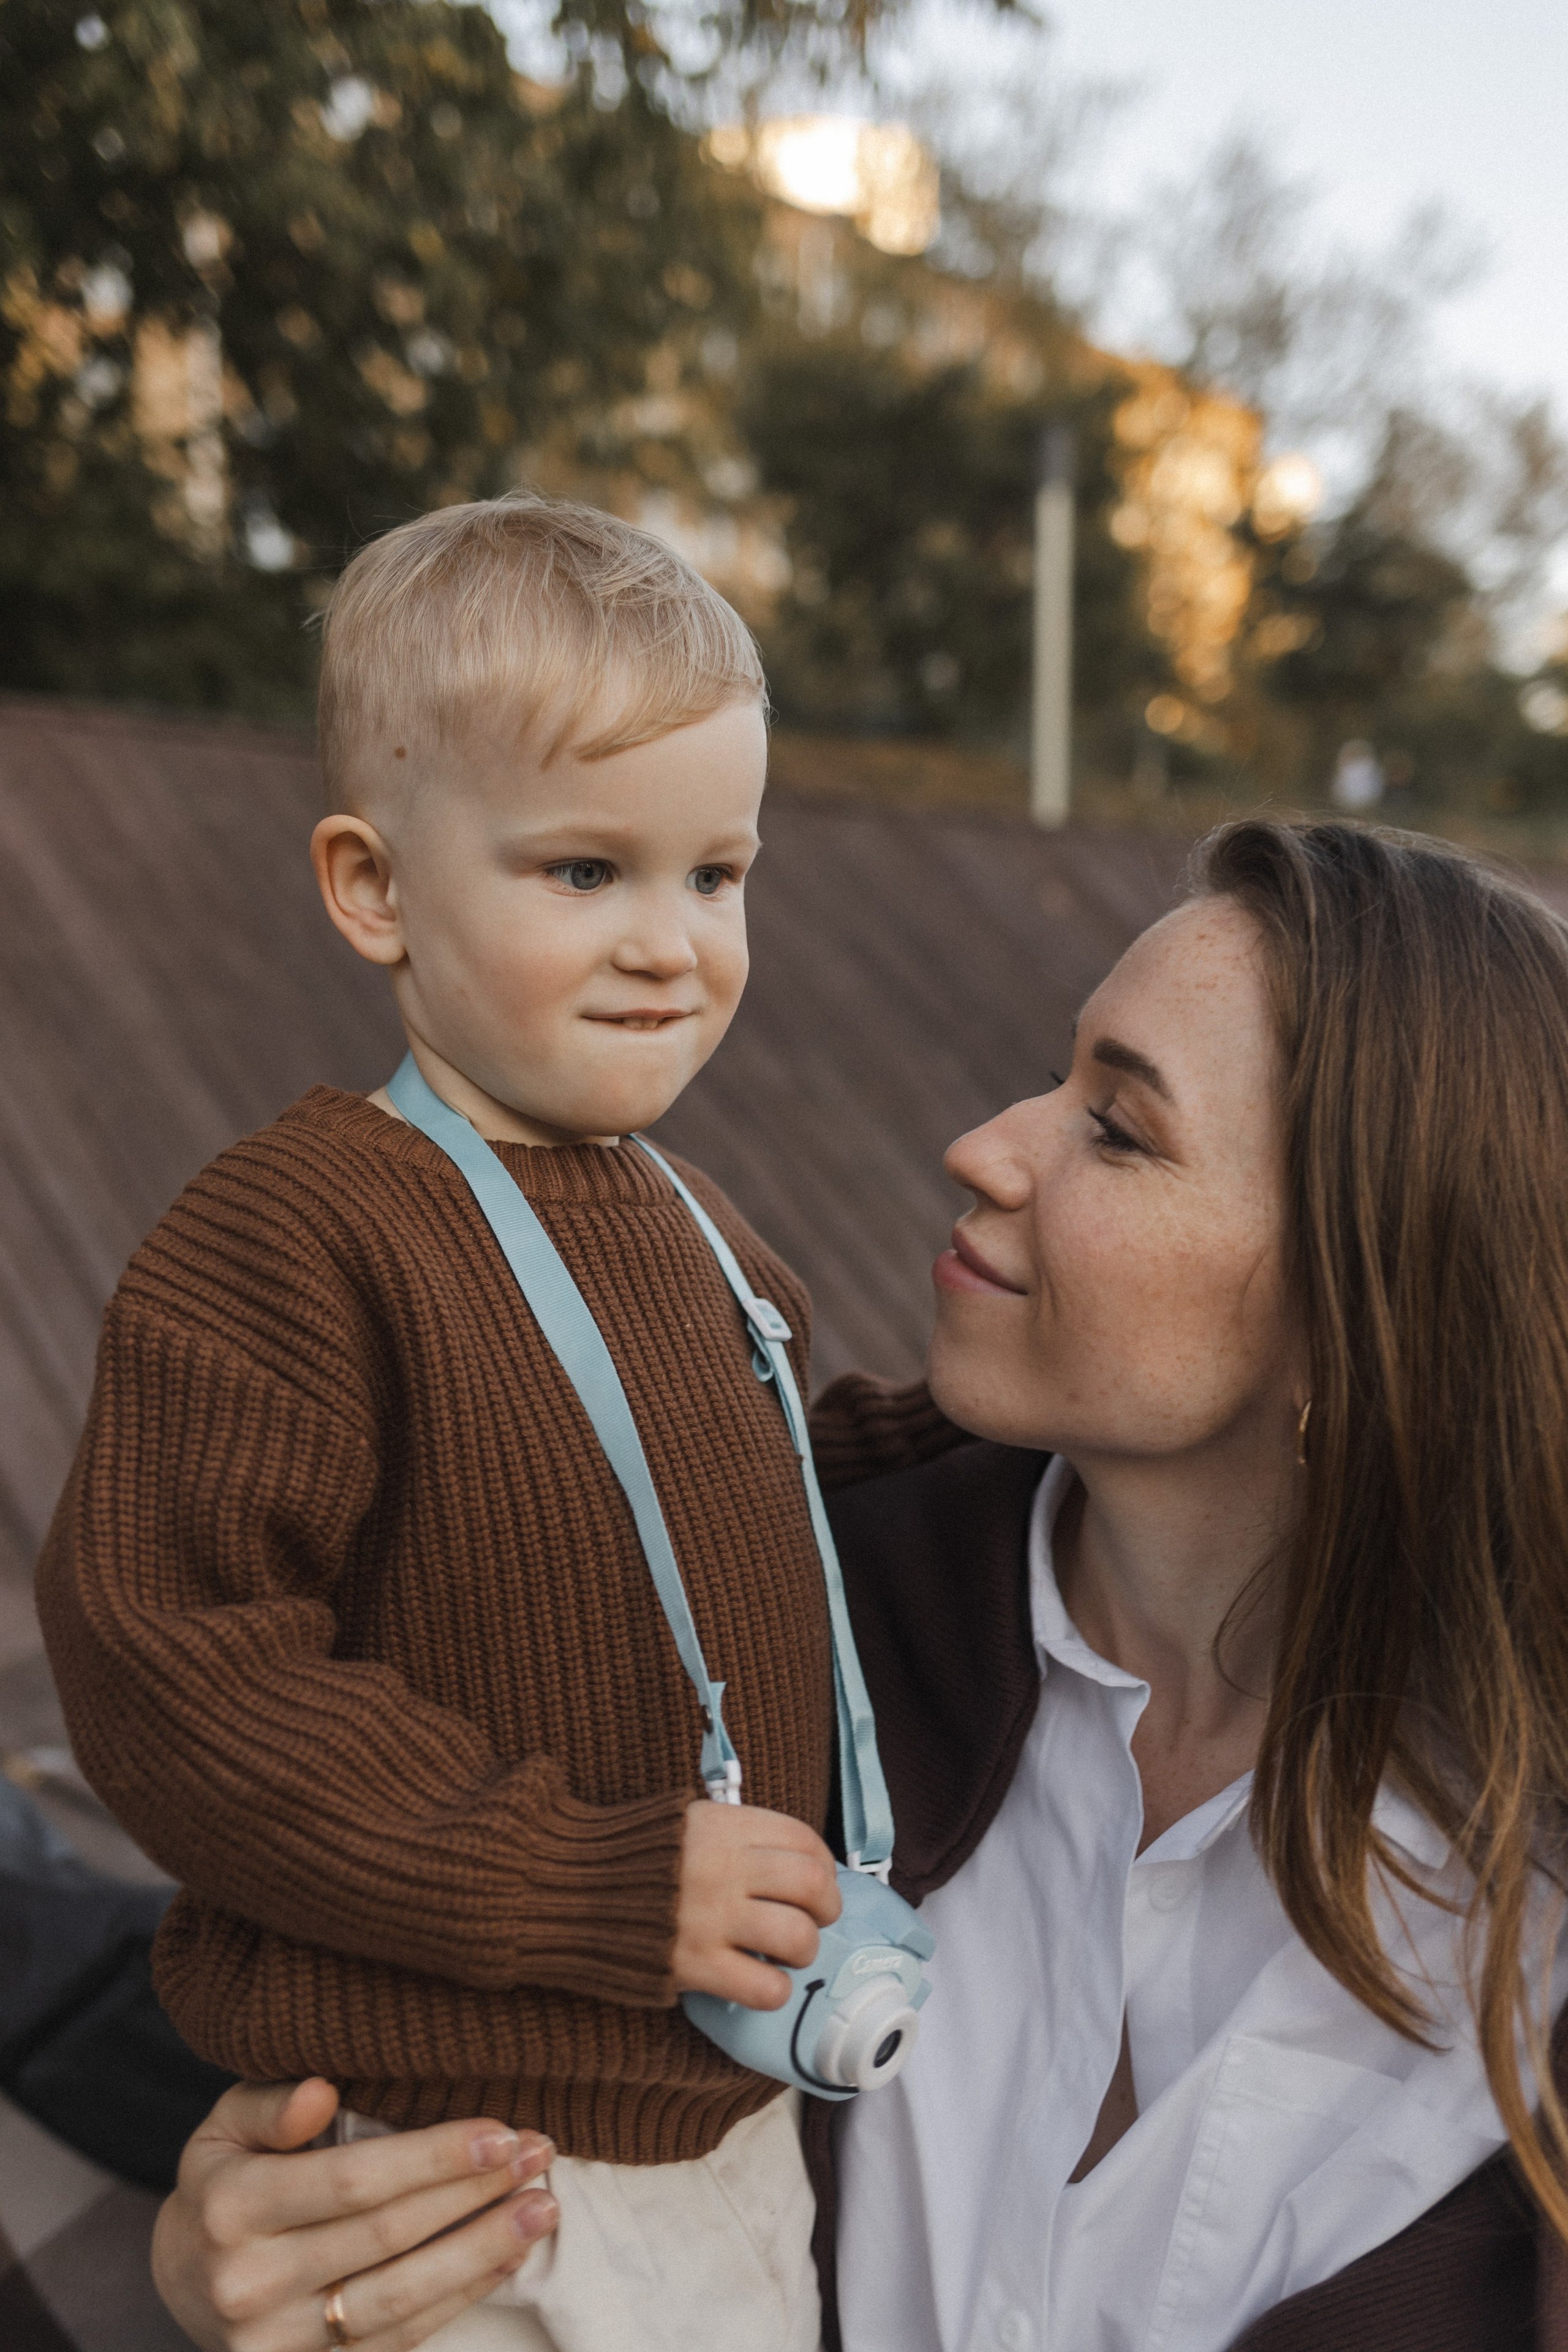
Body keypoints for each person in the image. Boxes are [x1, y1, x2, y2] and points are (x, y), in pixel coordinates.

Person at [157, 818, 1568, 2351]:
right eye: (1056, 1076)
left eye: (1116, 1128)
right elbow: (308, 1886)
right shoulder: (741, 1606)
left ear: (1370, 1311)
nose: (984, 1144)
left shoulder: (1534, 1894)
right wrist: (248, 2237)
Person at [36, 494, 957, 2352]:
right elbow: (175, 1670)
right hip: (445, 2179)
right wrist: (601, 1881)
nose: (671, 944)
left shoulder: (700, 1224)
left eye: (718, 874)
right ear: (374, 887)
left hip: (724, 2144)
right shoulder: (295, 1231)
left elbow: (775, 1482)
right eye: (582, 872)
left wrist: (999, 1430)